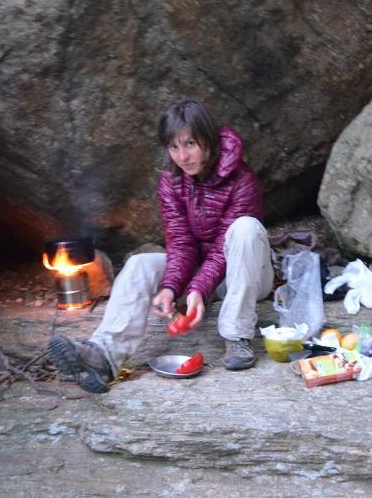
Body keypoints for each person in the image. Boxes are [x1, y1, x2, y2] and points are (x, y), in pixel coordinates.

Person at [47, 98, 273, 392]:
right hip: (200, 271)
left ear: (209, 139)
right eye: (173, 147)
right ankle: (103, 354)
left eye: (190, 144)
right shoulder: (171, 181)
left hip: (245, 272)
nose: (182, 156)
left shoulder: (242, 178)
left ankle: (237, 338)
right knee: (139, 264)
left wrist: (195, 290)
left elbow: (221, 248)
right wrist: (169, 288)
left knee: (245, 229)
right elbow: (180, 242)